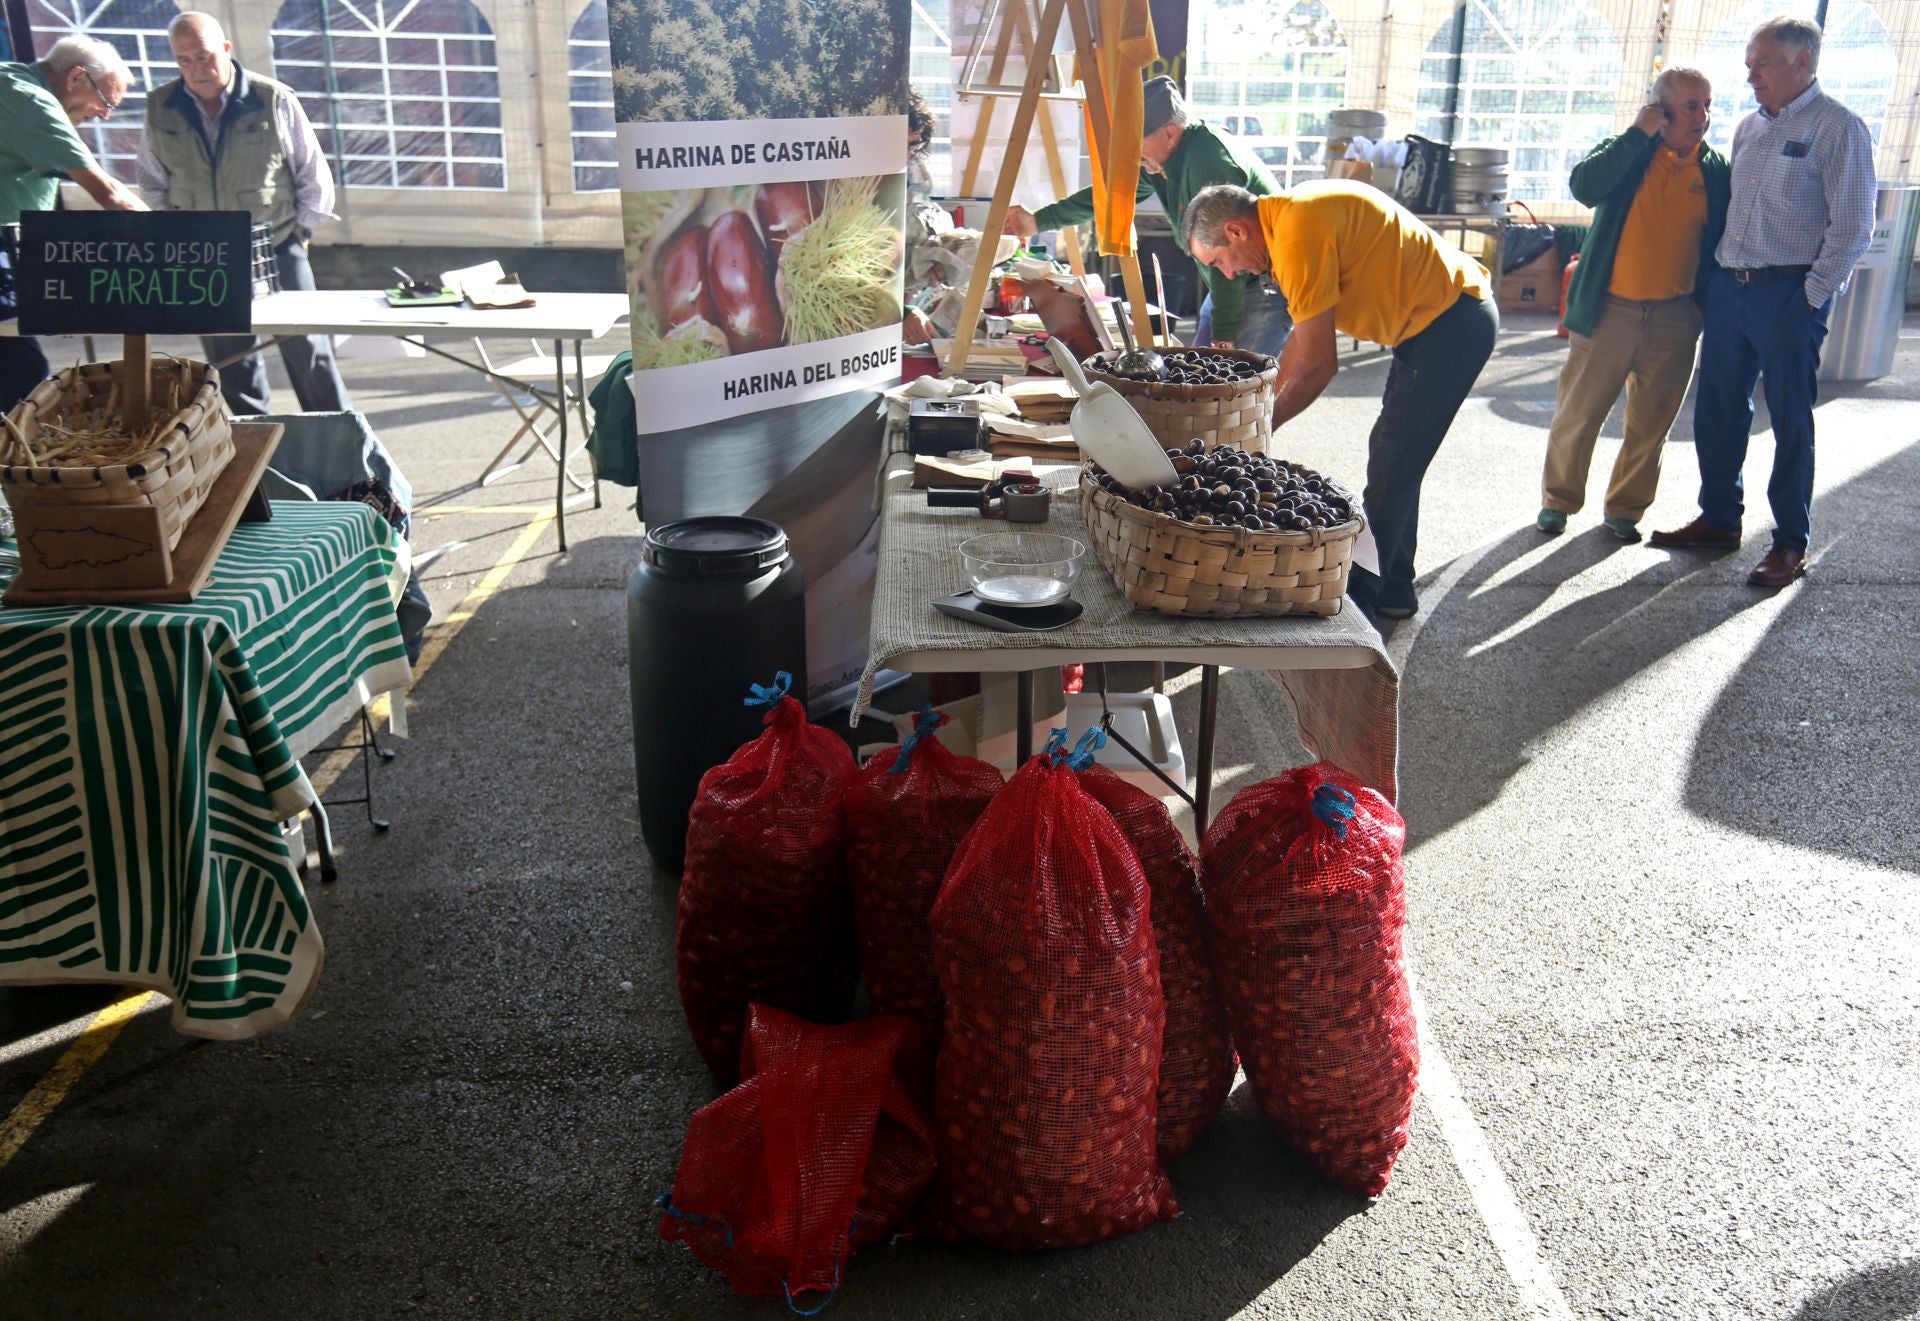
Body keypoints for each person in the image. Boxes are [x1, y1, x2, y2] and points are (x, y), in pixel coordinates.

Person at [1183, 180, 1497, 621]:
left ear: (1236, 231)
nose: (1229, 274)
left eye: (1220, 261)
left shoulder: (1296, 234)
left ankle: (1359, 603)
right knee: (1396, 459)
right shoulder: (1287, 222)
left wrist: (1262, 428)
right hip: (1433, 325)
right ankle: (1395, 590)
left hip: (1451, 324)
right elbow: (1301, 339)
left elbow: (1318, 365)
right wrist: (1261, 401)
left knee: (1393, 459)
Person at [1649, 15, 1875, 589]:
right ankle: (1720, 518)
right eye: (1749, 64)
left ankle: (1790, 542)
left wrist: (1808, 299)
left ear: (1804, 62)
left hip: (1788, 293)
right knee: (1719, 407)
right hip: (1732, 287)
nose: (1750, 76)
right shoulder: (1749, 127)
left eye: (1763, 64)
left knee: (1790, 419)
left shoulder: (1840, 128)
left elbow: (1852, 229)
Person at [1537, 66, 1729, 543]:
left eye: (1707, 104)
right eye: (1690, 105)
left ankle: (1624, 510)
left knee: (1651, 424)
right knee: (1578, 416)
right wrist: (1638, 134)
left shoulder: (1715, 168)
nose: (1701, 116)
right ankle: (1558, 503)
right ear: (1660, 110)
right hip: (1610, 312)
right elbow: (1585, 186)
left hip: (1675, 317)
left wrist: (1701, 308)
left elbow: (1721, 237)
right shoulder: (1627, 151)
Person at [137, 11, 350, 416]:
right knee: (230, 359)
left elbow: (311, 171)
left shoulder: (272, 99)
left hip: (277, 243)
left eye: (204, 56)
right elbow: (151, 182)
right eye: (184, 60)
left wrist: (301, 233)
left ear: (227, 50)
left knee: (308, 350)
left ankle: (339, 440)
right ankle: (257, 453)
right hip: (204, 255)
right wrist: (175, 235)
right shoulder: (159, 108)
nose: (196, 69)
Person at [1004, 75, 1291, 357]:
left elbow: (1229, 255)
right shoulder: (1162, 159)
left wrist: (1224, 334)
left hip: (1255, 282)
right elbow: (1110, 197)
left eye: (1138, 145)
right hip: (1228, 283)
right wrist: (1038, 221)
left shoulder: (1208, 161)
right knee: (1207, 379)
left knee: (1235, 387)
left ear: (1168, 133)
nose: (1135, 157)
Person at [0, 35, 147, 410]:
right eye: (105, 101)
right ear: (76, 77)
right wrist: (177, 240)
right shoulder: (31, 101)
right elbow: (110, 193)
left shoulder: (11, 80)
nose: (105, 115)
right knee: (21, 375)